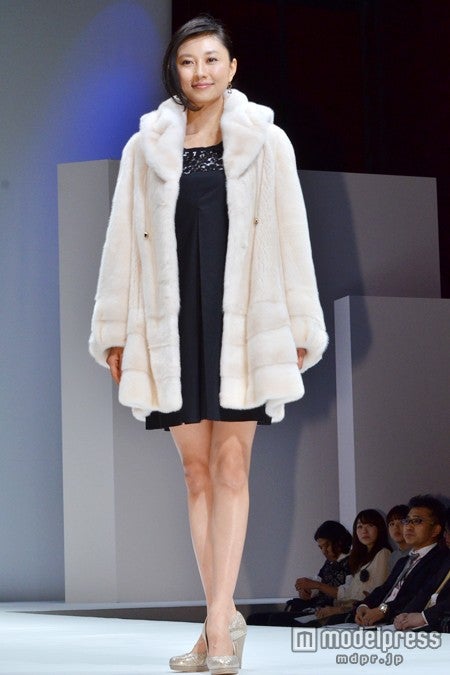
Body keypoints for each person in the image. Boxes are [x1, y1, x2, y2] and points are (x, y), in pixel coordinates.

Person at [89, 14, 327, 675]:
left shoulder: (266, 140)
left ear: (232, 67)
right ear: (176, 68)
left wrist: (299, 324)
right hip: (171, 325)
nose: (200, 71)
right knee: (195, 474)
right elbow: (120, 242)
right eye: (189, 60)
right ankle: (220, 617)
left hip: (244, 323)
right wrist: (114, 331)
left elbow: (292, 234)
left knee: (231, 469)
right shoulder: (146, 146)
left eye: (212, 59)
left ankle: (217, 626)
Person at [354, 495, 448, 627]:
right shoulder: (403, 561)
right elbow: (384, 589)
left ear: (436, 530)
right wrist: (364, 606)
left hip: (403, 623)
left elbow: (416, 597)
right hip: (380, 620)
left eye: (417, 521)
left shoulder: (440, 559)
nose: (408, 527)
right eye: (407, 521)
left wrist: (383, 610)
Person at [246, 520, 352, 627]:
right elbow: (316, 585)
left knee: (275, 620)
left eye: (327, 545)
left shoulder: (352, 562)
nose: (324, 551)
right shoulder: (329, 563)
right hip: (315, 608)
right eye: (321, 547)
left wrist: (317, 585)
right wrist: (306, 590)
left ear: (339, 542)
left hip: (329, 613)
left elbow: (348, 594)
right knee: (254, 618)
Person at [310, 509, 391, 625]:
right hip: (350, 609)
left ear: (380, 528)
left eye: (370, 525)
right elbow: (351, 593)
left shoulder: (383, 553)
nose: (364, 531)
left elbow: (375, 596)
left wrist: (337, 610)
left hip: (362, 614)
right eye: (360, 527)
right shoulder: (361, 557)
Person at [386, 504, 411, 571]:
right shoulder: (393, 557)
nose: (396, 527)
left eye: (402, 522)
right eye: (392, 524)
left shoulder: (418, 553)